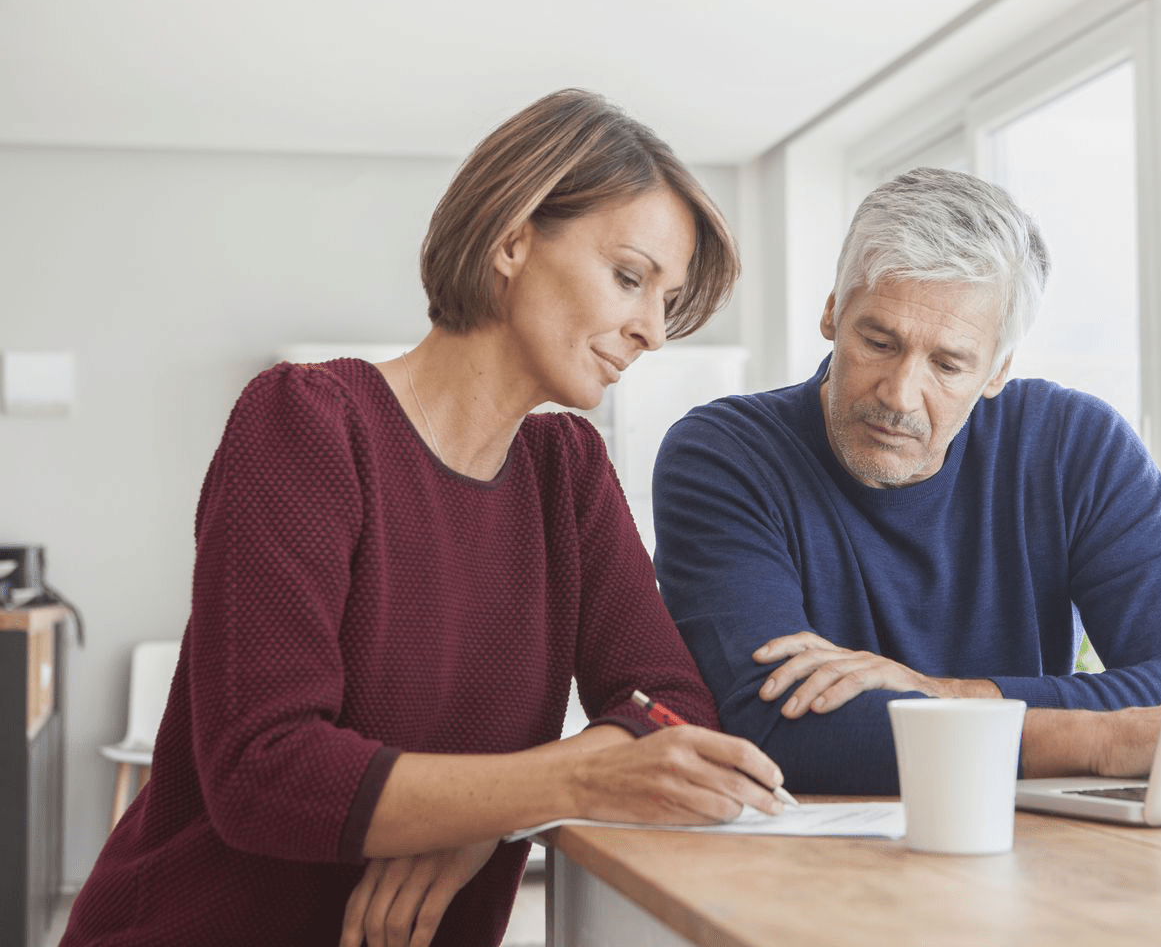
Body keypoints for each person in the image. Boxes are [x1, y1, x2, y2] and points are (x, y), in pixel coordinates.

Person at [61, 89, 788, 947]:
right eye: (631, 278)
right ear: (514, 239)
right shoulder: (305, 423)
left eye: (666, 300)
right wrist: (555, 784)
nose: (654, 333)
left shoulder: (568, 473)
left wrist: (487, 813)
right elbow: (264, 772)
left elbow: (674, 705)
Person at [652, 167, 1161, 795]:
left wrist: (950, 693)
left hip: (1032, 840)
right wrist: (1099, 741)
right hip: (810, 863)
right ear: (833, 311)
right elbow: (776, 724)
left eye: (948, 364)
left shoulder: (1075, 446)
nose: (900, 395)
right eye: (879, 342)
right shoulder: (726, 455)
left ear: (997, 370)